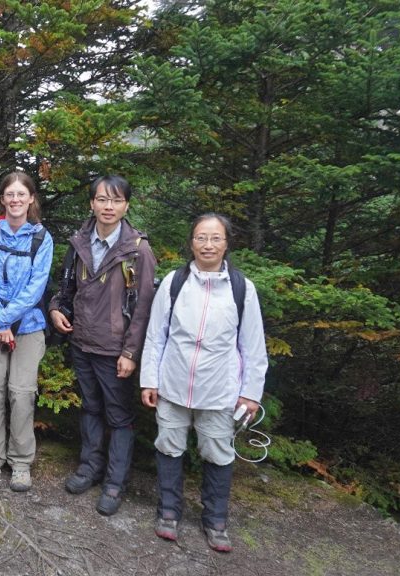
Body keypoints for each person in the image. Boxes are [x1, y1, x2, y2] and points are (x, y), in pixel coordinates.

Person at [140, 213, 268, 553]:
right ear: (191, 242)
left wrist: (250, 394)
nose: (207, 245)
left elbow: (253, 346)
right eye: (201, 237)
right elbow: (156, 336)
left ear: (226, 243)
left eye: (215, 238)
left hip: (220, 390)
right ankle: (168, 512)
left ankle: (216, 520)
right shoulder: (174, 282)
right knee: (169, 446)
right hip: (173, 384)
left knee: (218, 453)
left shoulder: (242, 288)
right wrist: (149, 379)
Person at [48, 174, 156, 515]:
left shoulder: (137, 250)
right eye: (102, 199)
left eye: (116, 200)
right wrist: (54, 309)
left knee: (119, 417)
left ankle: (114, 482)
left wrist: (130, 353)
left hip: (115, 350)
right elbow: (66, 289)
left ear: (126, 205)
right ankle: (89, 468)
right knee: (91, 408)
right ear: (91, 203)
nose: (108, 207)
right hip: (82, 342)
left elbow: (144, 308)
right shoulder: (80, 242)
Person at [0, 172, 53, 492]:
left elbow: (36, 288)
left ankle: (20, 463)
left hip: (29, 328)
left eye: (22, 194)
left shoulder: (41, 238)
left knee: (21, 394)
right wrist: (0, 323)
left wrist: (7, 320)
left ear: (31, 198)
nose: (16, 200)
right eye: (10, 194)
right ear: (2, 199)